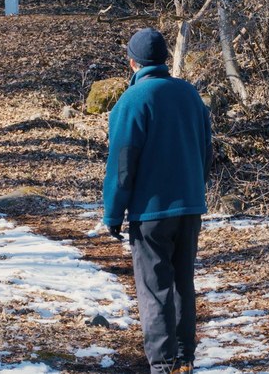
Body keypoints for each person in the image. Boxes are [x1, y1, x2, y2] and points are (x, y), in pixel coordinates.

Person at [102, 28, 214, 374]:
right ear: (164, 59)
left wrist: (113, 213)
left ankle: (163, 364)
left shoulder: (132, 101)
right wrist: (196, 187)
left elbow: (122, 165)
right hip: (190, 204)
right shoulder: (189, 94)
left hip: (150, 211)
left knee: (154, 287)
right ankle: (184, 357)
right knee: (183, 281)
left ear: (132, 61)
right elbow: (205, 149)